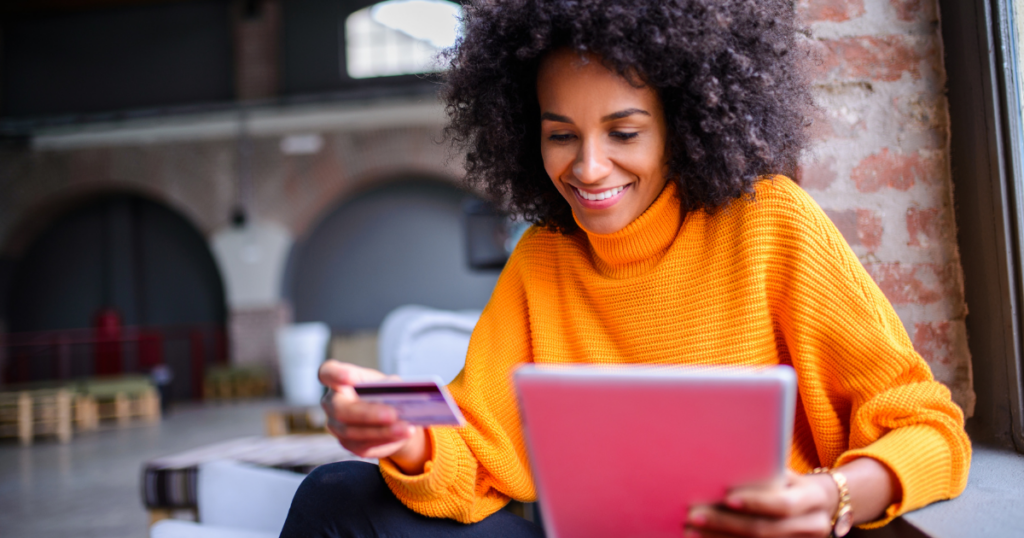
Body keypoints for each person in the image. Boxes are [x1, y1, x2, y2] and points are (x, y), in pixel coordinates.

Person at [281, 1, 971, 536]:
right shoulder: (543, 260)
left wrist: (833, 497)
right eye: (560, 136)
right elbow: (475, 454)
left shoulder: (770, 224)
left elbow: (931, 429)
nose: (587, 168)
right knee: (333, 498)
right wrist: (407, 435)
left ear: (685, 119)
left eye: (624, 132)